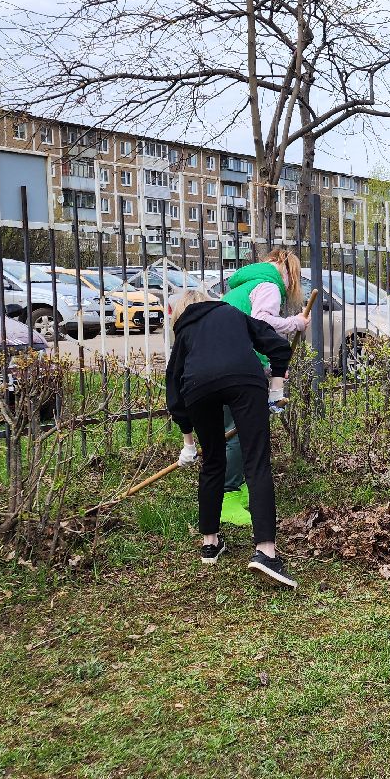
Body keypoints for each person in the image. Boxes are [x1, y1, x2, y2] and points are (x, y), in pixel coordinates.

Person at [165, 288, 295, 585]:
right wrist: (276, 388)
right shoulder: (231, 313)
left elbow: (174, 390)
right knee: (256, 463)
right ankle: (265, 552)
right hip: (244, 381)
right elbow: (278, 345)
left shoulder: (184, 331)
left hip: (198, 388)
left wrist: (188, 444)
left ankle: (210, 543)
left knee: (212, 462)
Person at [179, 250, 311, 521]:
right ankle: (227, 498)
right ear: (288, 272)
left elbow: (249, 332)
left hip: (216, 368)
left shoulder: (244, 287)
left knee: (230, 432)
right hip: (236, 373)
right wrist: (295, 323)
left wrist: (271, 370)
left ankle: (238, 489)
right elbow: (261, 323)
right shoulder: (269, 286)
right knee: (236, 434)